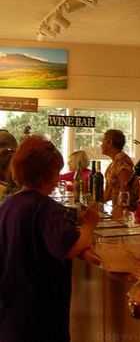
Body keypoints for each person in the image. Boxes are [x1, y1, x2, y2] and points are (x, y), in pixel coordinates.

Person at [0, 135, 99, 342]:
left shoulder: (8, 204)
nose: (58, 178)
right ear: (45, 177)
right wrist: (89, 226)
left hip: (11, 308)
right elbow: (71, 246)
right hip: (38, 314)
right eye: (56, 173)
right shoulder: (43, 207)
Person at [101, 129, 140, 213]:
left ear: (109, 143)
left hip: (127, 212)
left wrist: (120, 208)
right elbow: (107, 195)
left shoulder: (121, 160)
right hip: (119, 211)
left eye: (102, 141)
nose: (101, 145)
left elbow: (125, 186)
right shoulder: (112, 165)